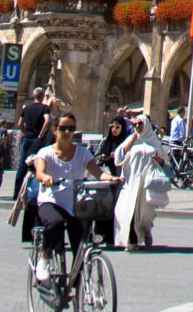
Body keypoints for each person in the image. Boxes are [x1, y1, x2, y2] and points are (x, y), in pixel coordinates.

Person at [23, 113, 98, 287]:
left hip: (74, 202)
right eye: (63, 128)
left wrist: (113, 178)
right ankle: (45, 257)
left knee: (82, 239)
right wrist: (45, 177)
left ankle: (76, 284)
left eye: (71, 128)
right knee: (55, 223)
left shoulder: (82, 152)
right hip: (51, 200)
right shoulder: (45, 153)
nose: (67, 132)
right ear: (54, 130)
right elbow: (40, 172)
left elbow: (97, 171)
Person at [112, 116, 171, 251]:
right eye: (135, 124)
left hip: (146, 184)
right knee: (128, 212)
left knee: (144, 214)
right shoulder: (132, 140)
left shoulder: (154, 142)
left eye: (140, 124)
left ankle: (146, 229)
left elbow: (165, 162)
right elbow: (118, 159)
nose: (137, 127)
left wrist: (159, 160)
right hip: (131, 182)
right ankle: (131, 241)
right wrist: (130, 141)